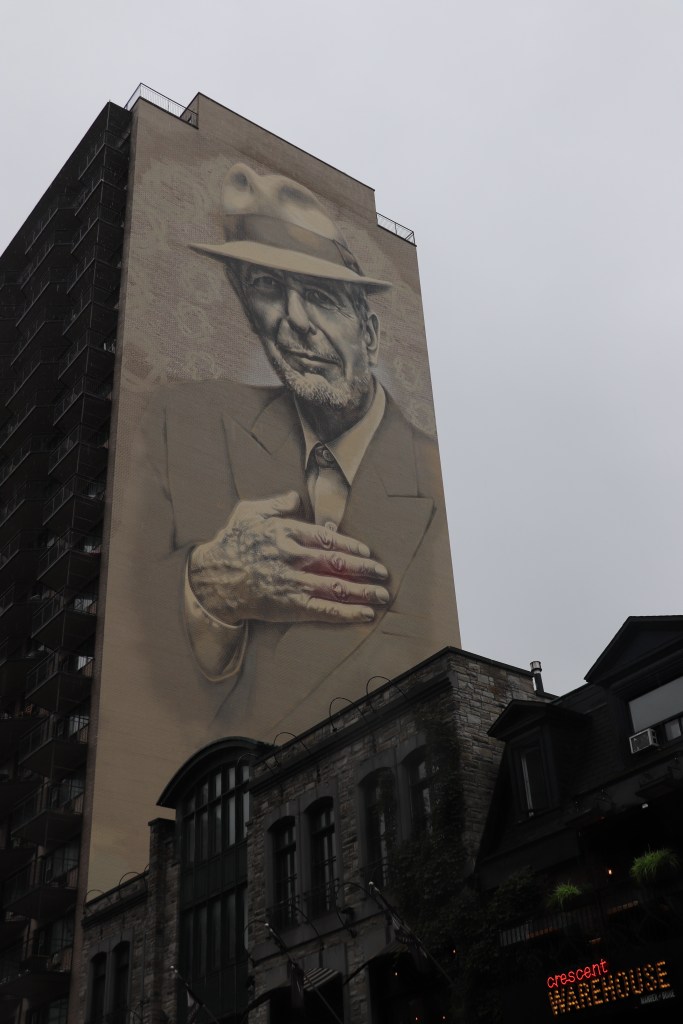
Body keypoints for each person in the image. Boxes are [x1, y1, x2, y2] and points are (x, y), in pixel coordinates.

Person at [129, 163, 458, 739]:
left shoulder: (426, 470)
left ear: (371, 333)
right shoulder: (181, 421)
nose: (294, 322)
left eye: (322, 297)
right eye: (266, 288)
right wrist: (205, 589)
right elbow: (134, 628)